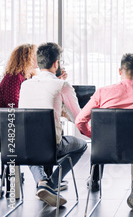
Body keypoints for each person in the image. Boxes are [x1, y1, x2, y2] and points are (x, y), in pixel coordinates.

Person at [75, 53, 133, 210]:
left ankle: (95, 180)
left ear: (119, 71)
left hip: (105, 149)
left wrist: (95, 136)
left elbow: (80, 121)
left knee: (101, 137)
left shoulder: (102, 92)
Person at [18, 42, 87, 207]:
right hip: (51, 146)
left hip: (23, 147)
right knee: (82, 145)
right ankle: (52, 182)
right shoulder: (62, 85)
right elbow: (78, 117)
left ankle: (42, 181)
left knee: (31, 145)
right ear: (56, 63)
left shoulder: (25, 85)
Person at [0, 44, 38, 108]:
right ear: (27, 58)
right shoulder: (14, 77)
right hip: (9, 116)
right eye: (36, 55)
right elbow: (12, 105)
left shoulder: (29, 75)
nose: (39, 58)